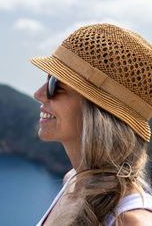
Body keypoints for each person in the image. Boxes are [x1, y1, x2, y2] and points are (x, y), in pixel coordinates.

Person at [30, 23, 152, 225]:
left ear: (98, 112)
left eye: (55, 83)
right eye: (48, 78)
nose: (38, 94)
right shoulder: (73, 182)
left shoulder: (133, 221)